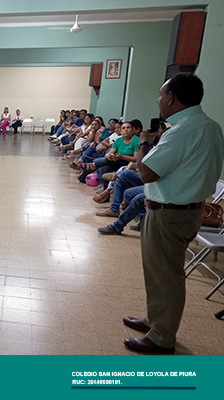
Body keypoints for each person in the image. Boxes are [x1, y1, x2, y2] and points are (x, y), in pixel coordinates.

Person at [123, 74, 224, 354]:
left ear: (170, 97)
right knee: (158, 271)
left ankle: (162, 337)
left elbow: (146, 172)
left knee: (167, 275)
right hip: (186, 209)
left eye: (160, 95)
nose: (158, 100)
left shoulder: (183, 131)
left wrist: (144, 143)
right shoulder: (210, 126)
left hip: (171, 213)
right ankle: (154, 321)